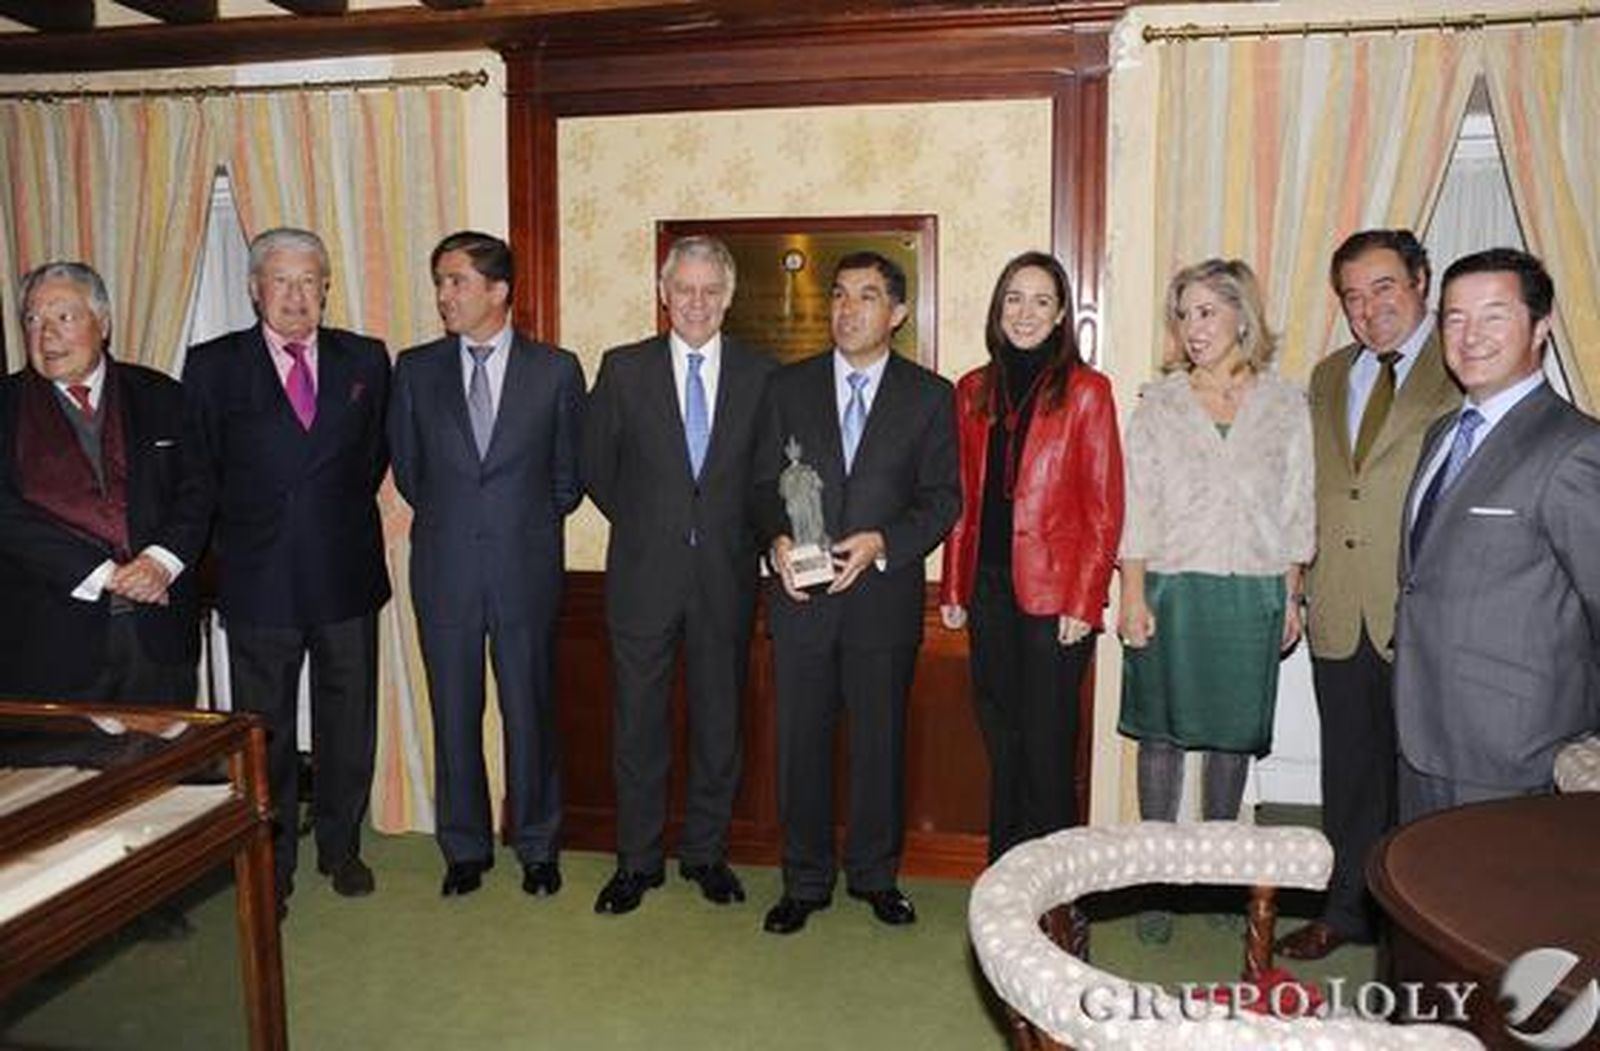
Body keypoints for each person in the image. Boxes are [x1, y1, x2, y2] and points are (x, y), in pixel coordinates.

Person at [182, 227, 391, 913]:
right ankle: (272, 862)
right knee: (264, 729)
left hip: (344, 571)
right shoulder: (212, 365)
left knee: (348, 720)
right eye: (282, 280)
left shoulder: (366, 359)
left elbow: (370, 462)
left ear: (327, 288)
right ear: (254, 288)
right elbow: (201, 471)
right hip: (259, 577)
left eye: (310, 280)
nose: (296, 295)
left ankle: (341, 845)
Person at [753, 251, 959, 935]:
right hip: (802, 603)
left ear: (896, 313)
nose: (847, 309)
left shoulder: (930, 396)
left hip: (880, 602)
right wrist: (775, 541)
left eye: (867, 297)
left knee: (879, 747)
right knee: (800, 747)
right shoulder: (787, 387)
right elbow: (757, 488)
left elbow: (942, 499)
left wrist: (883, 543)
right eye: (839, 295)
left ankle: (875, 875)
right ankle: (804, 880)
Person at [1117, 258, 1314, 944]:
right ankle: (1156, 879)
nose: (1193, 328)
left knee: (1232, 740)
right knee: (1162, 735)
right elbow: (1135, 507)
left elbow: (1299, 508)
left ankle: (1223, 872)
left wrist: (1292, 595)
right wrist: (1133, 592)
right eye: (1183, 314)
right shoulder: (1159, 402)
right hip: (1173, 583)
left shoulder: (1286, 403)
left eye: (1205, 311)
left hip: (1252, 587)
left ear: (1241, 315)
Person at [1276, 230, 1461, 962]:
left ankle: (1419, 922)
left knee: (1419, 779)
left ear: (1421, 280)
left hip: (1422, 610)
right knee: (1348, 771)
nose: (1369, 308)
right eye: (1353, 295)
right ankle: (1345, 907)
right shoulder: (1326, 377)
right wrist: (1297, 583)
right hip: (1338, 607)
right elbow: (1316, 488)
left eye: (1384, 286)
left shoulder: (1459, 367)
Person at [582, 235, 776, 915]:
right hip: (643, 576)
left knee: (720, 725)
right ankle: (636, 861)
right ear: (664, 294)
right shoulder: (623, 368)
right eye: (684, 289)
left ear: (727, 297)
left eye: (709, 291)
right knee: (637, 725)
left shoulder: (761, 374)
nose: (696, 302)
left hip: (725, 576)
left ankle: (705, 852)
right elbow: (596, 469)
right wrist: (655, 524)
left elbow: (766, 477)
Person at [389, 231, 583, 900]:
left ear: (498, 290)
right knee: (454, 710)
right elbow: (411, 474)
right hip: (443, 571)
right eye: (440, 281)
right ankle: (464, 848)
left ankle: (537, 844)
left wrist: (514, 525)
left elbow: (568, 480)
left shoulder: (556, 370)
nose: (444, 295)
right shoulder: (414, 370)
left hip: (526, 568)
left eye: (456, 281)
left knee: (530, 710)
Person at [1394, 248, 1600, 821]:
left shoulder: (1575, 448)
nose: (1470, 335)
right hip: (1420, 730)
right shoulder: (1442, 433)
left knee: (1497, 908)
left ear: (1541, 325)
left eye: (1494, 315)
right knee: (1420, 898)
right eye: (1455, 318)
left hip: (1514, 748)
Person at [938, 251, 1124, 862]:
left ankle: (1060, 894)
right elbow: (962, 497)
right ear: (998, 309)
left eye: (1041, 300)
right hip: (989, 591)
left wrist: (1086, 597)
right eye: (1014, 298)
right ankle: (1006, 882)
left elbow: (1104, 507)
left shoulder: (1088, 392)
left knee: (1047, 748)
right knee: (1004, 740)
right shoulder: (972, 390)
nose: (1026, 312)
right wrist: (954, 589)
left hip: (1054, 599)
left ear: (1062, 313)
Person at [0, 262, 205, 706]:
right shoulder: (7, 408)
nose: (46, 334)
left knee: (165, 769)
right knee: (69, 778)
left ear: (104, 323)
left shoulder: (162, 395)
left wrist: (160, 563)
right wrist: (107, 575)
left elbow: (198, 489)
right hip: (47, 643)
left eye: (63, 317)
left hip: (158, 632)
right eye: (33, 319)